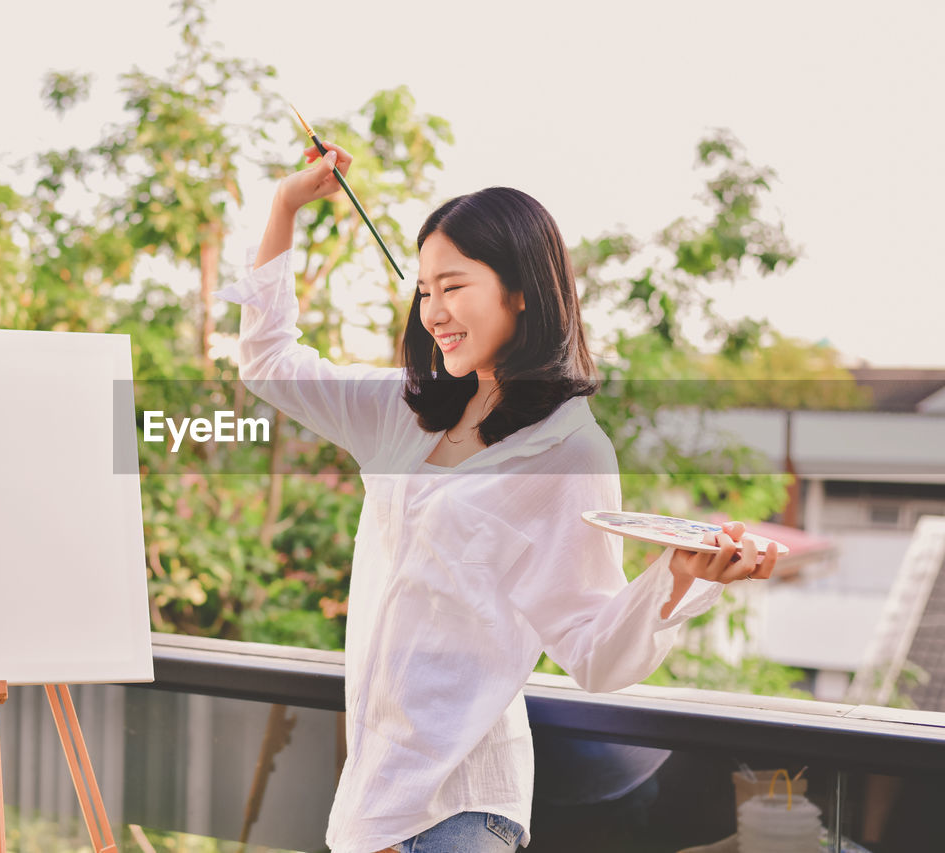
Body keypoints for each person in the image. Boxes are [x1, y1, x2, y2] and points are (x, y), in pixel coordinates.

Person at [212, 142, 778, 853]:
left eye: (453, 286)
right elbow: (267, 362)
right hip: (368, 810)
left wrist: (681, 577)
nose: (433, 311)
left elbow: (594, 650)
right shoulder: (404, 411)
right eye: (423, 290)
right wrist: (286, 205)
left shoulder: (569, 452)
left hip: (463, 811)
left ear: (520, 290)